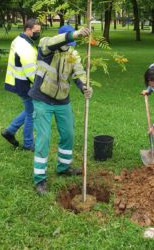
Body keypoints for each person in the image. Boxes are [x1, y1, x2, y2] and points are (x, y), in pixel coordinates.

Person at [28, 25, 92, 195]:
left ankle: (64, 167)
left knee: (68, 134)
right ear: (65, 37)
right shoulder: (46, 45)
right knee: (44, 138)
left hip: (63, 100)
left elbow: (78, 73)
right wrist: (75, 34)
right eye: (70, 41)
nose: (71, 47)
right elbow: (53, 42)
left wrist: (85, 86)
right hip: (42, 99)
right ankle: (40, 179)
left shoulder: (72, 54)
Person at [2, 19, 41, 151]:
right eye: (36, 31)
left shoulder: (19, 40)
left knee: (29, 109)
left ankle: (10, 131)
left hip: (17, 82)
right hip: (24, 84)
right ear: (28, 30)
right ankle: (28, 144)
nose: (38, 34)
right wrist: (38, 84)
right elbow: (30, 69)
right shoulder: (24, 45)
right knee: (32, 113)